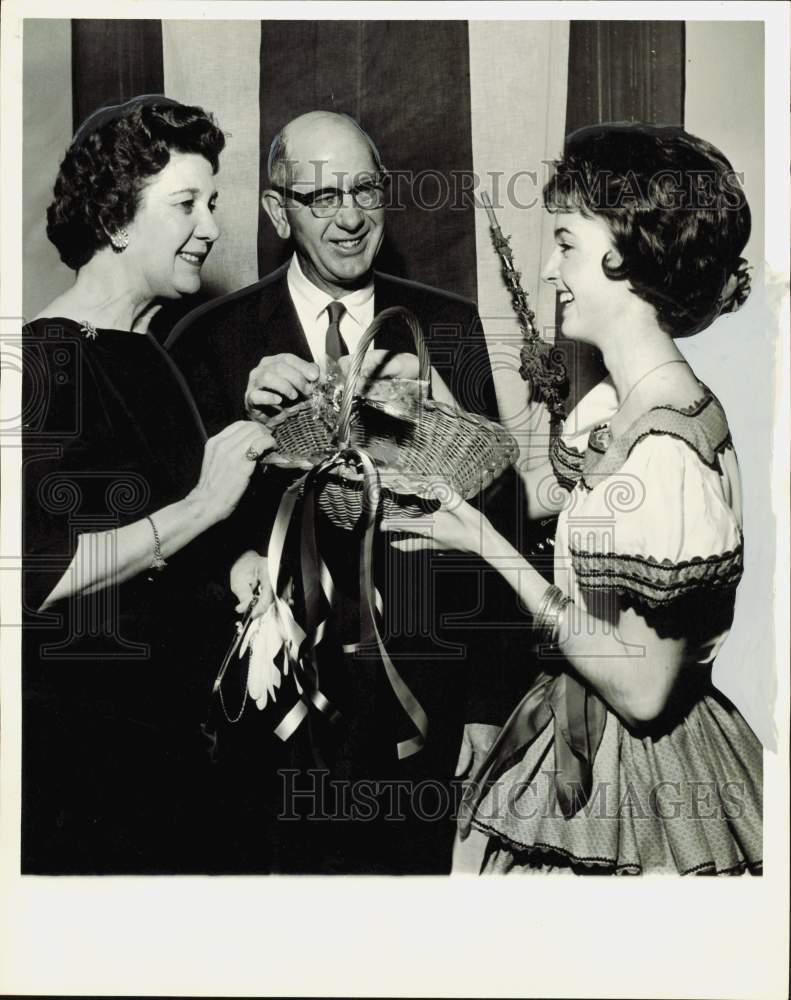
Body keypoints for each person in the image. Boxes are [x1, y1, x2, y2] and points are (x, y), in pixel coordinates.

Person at [383, 123, 763, 875]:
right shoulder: (618, 410)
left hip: (642, 781)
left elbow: (644, 690)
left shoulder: (661, 450)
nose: (549, 270)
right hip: (583, 740)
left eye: (563, 244)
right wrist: (427, 423)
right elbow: (541, 498)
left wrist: (490, 551)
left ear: (625, 259)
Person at [166, 110, 529, 874]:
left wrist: (490, 704)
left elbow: (503, 514)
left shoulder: (448, 328)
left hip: (422, 712)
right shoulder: (210, 339)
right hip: (270, 717)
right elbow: (180, 537)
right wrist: (248, 425)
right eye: (323, 197)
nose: (352, 216)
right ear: (277, 212)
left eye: (364, 189)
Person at [22, 96, 274, 874]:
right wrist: (203, 507)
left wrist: (237, 567)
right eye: (186, 205)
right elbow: (41, 571)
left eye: (213, 203)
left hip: (181, 747)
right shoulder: (42, 363)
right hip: (88, 760)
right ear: (116, 221)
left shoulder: (153, 351)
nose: (210, 227)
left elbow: (168, 531)